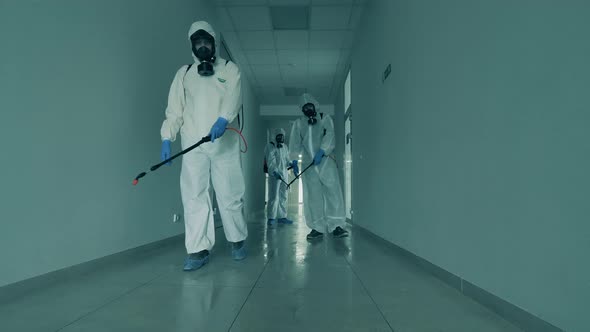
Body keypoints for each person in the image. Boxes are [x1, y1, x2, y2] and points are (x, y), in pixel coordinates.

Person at [160, 21, 247, 271]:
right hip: (193, 142)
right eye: (197, 43)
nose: (202, 47)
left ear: (213, 43)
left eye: (205, 42)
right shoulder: (184, 73)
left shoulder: (230, 69)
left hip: (225, 142)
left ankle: (237, 240)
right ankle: (198, 249)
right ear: (192, 46)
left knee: (229, 193)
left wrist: (223, 119)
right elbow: (175, 109)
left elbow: (234, 97)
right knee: (194, 195)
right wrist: (167, 137)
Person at [289, 93, 349, 240]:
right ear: (302, 110)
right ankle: (317, 227)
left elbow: (330, 135)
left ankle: (337, 226)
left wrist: (322, 150)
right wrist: (294, 161)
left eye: (310, 106)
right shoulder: (298, 124)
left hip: (326, 162)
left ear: (315, 106)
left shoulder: (324, 118)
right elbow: (294, 143)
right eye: (305, 108)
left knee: (333, 191)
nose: (308, 110)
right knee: (313, 196)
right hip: (309, 165)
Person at [265, 128, 296, 226]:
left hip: (284, 174)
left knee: (284, 196)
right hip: (275, 175)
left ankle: (282, 217)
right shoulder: (270, 146)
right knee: (274, 196)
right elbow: (270, 161)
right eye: (279, 136)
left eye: (282, 136)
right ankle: (271, 218)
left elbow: (286, 160)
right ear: (275, 137)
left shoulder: (285, 147)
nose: (281, 138)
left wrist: (292, 164)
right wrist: (274, 172)